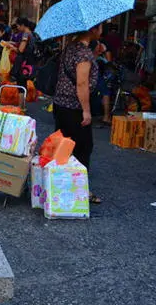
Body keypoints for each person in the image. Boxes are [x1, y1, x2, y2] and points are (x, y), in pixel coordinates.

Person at [53, 24, 103, 204]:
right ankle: (80, 190)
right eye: (100, 27)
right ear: (93, 30)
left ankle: (60, 185)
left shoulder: (71, 47)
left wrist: (95, 55)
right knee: (83, 147)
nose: (102, 30)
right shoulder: (83, 53)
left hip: (61, 103)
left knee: (64, 146)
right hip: (74, 107)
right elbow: (82, 83)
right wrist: (87, 111)